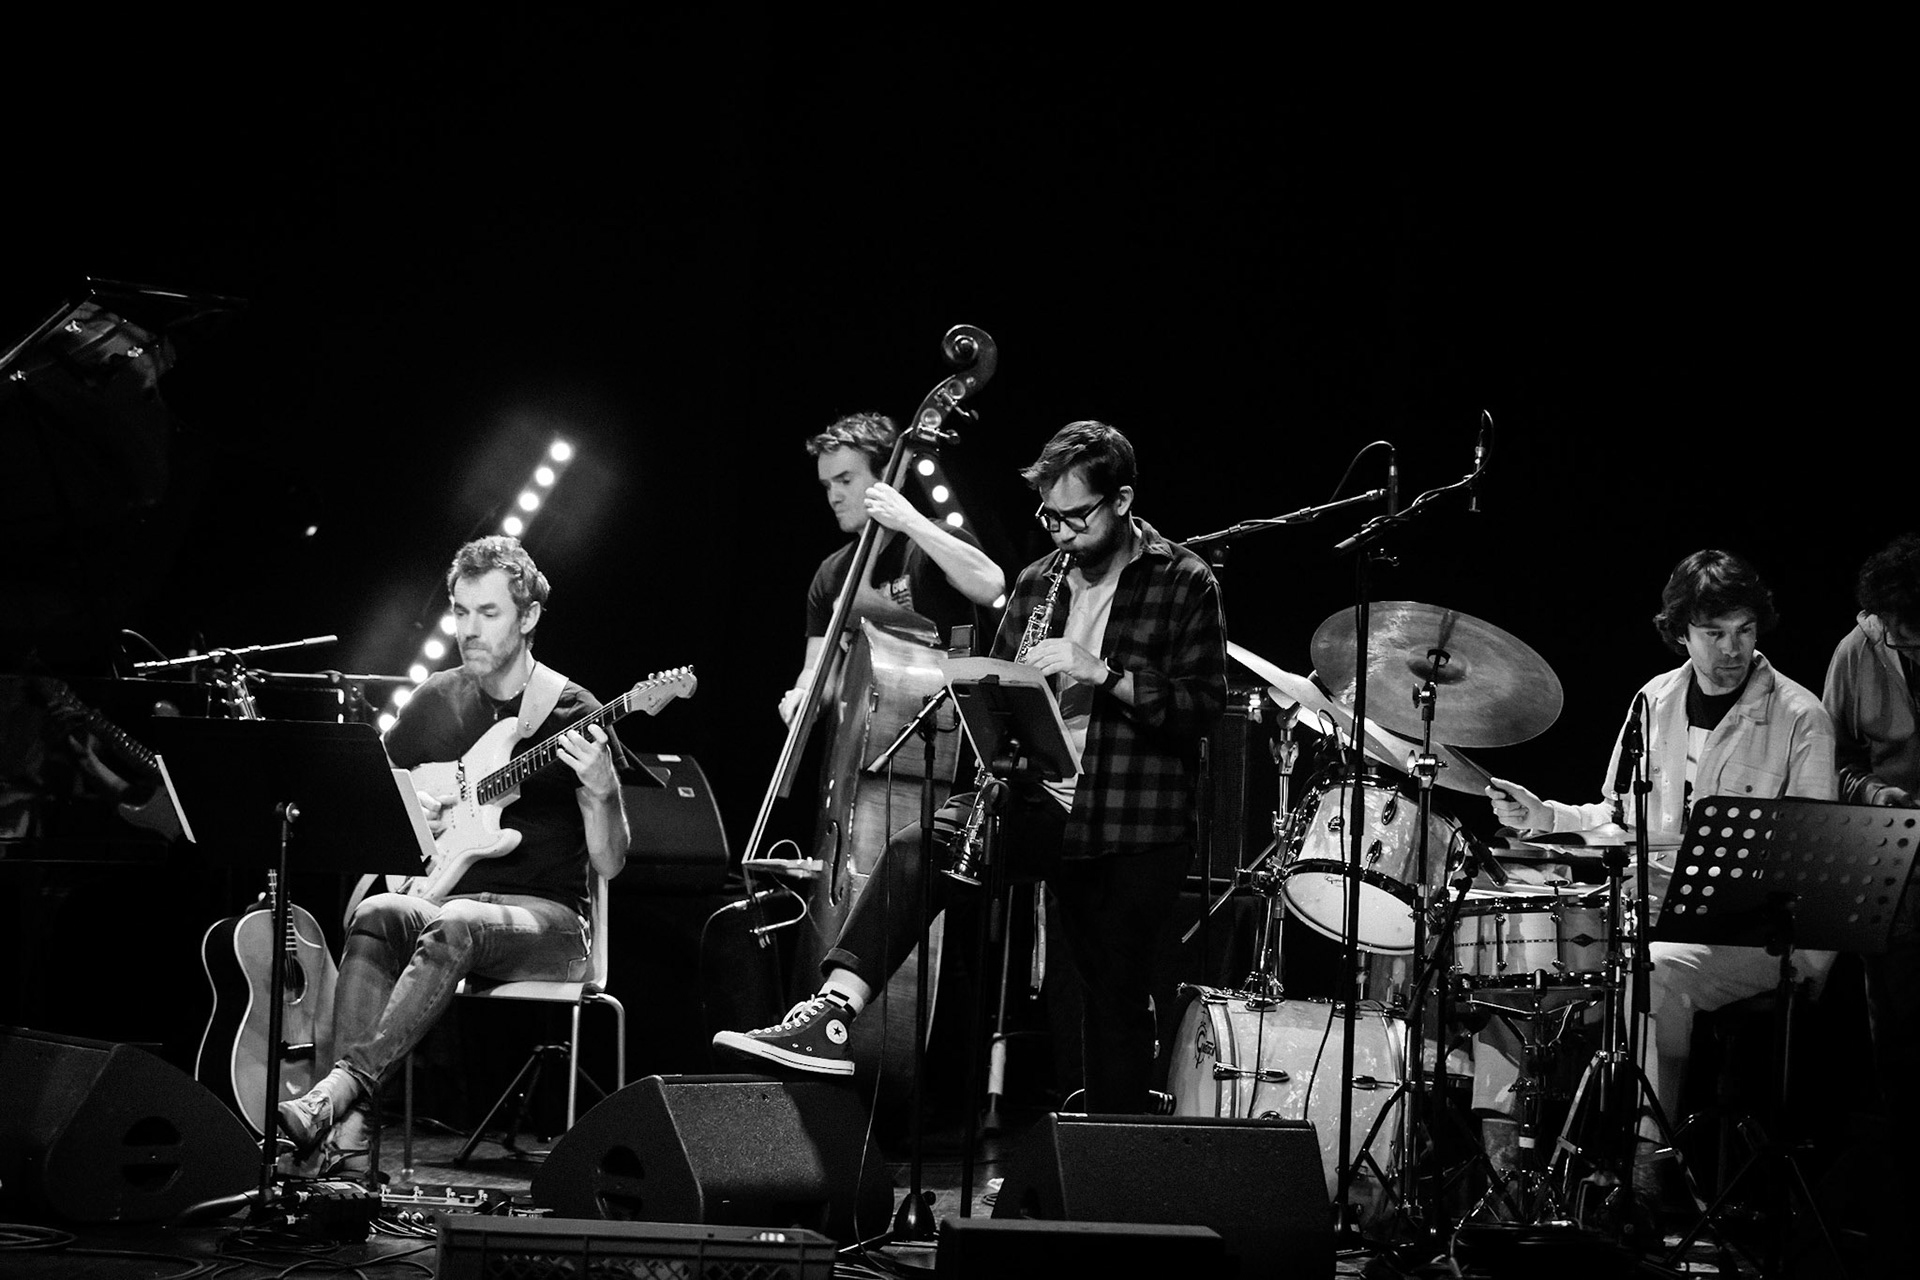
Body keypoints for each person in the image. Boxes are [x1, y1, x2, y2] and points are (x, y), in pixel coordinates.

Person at [717, 420, 1229, 1113]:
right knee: (918, 847)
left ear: (1122, 500)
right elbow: (1001, 689)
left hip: (1133, 821)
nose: (1061, 532)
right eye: (1049, 516)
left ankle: (1115, 1153)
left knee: (1112, 1001)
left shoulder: (1184, 579)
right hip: (1042, 799)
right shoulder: (1040, 580)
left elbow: (1201, 708)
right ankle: (832, 1015)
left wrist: (1103, 674)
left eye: (1076, 516)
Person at [276, 536, 630, 1176]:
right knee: (378, 911)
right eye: (461, 612)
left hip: (550, 924)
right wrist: (421, 808)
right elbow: (377, 796)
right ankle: (344, 1139)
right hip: (449, 902)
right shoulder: (436, 698)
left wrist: (604, 793)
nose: (468, 629)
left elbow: (610, 864)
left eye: (487, 613)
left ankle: (337, 1095)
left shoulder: (573, 711)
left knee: (456, 922)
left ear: (528, 617)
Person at [1485, 549, 1836, 1167]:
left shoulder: (1801, 715)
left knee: (1653, 971)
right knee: (1515, 957)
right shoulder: (1654, 699)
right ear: (1681, 633)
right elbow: (1616, 816)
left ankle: (1647, 1168)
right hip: (1651, 912)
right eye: (1714, 633)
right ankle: (1509, 1162)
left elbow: (1810, 856)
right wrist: (1543, 815)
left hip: (1759, 935)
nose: (1733, 648)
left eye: (1745, 630)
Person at [1823, 532, 1920, 1275]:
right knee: (1901, 1040)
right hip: (1900, 862)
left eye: (1907, 631)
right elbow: (1836, 760)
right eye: (1889, 627)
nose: (1894, 640)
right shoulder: (1858, 651)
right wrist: (1873, 793)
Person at [779, 412, 1006, 725]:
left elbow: (991, 585)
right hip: (861, 732)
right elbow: (816, 670)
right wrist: (804, 694)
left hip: (942, 726)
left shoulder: (932, 541)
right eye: (827, 485)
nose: (834, 497)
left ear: (887, 475)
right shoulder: (831, 573)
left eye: (845, 480)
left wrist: (908, 520)